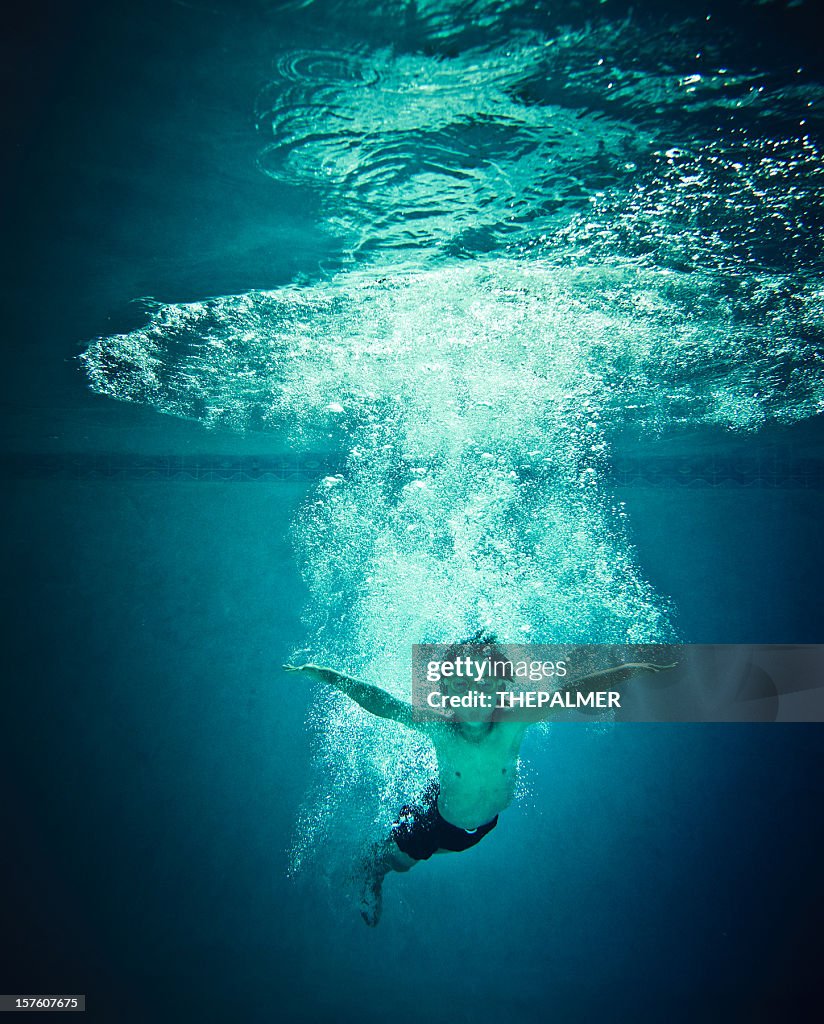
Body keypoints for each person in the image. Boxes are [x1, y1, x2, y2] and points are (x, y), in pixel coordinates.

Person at [284, 633, 675, 925]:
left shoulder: (514, 721)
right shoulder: (441, 729)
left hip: (481, 826)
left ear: (500, 688)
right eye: (460, 686)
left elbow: (571, 692)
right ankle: (373, 866)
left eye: (480, 684)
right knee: (402, 861)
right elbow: (385, 704)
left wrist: (630, 670)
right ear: (446, 694)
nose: (471, 695)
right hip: (435, 819)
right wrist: (331, 677)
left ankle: (387, 853)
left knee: (448, 850)